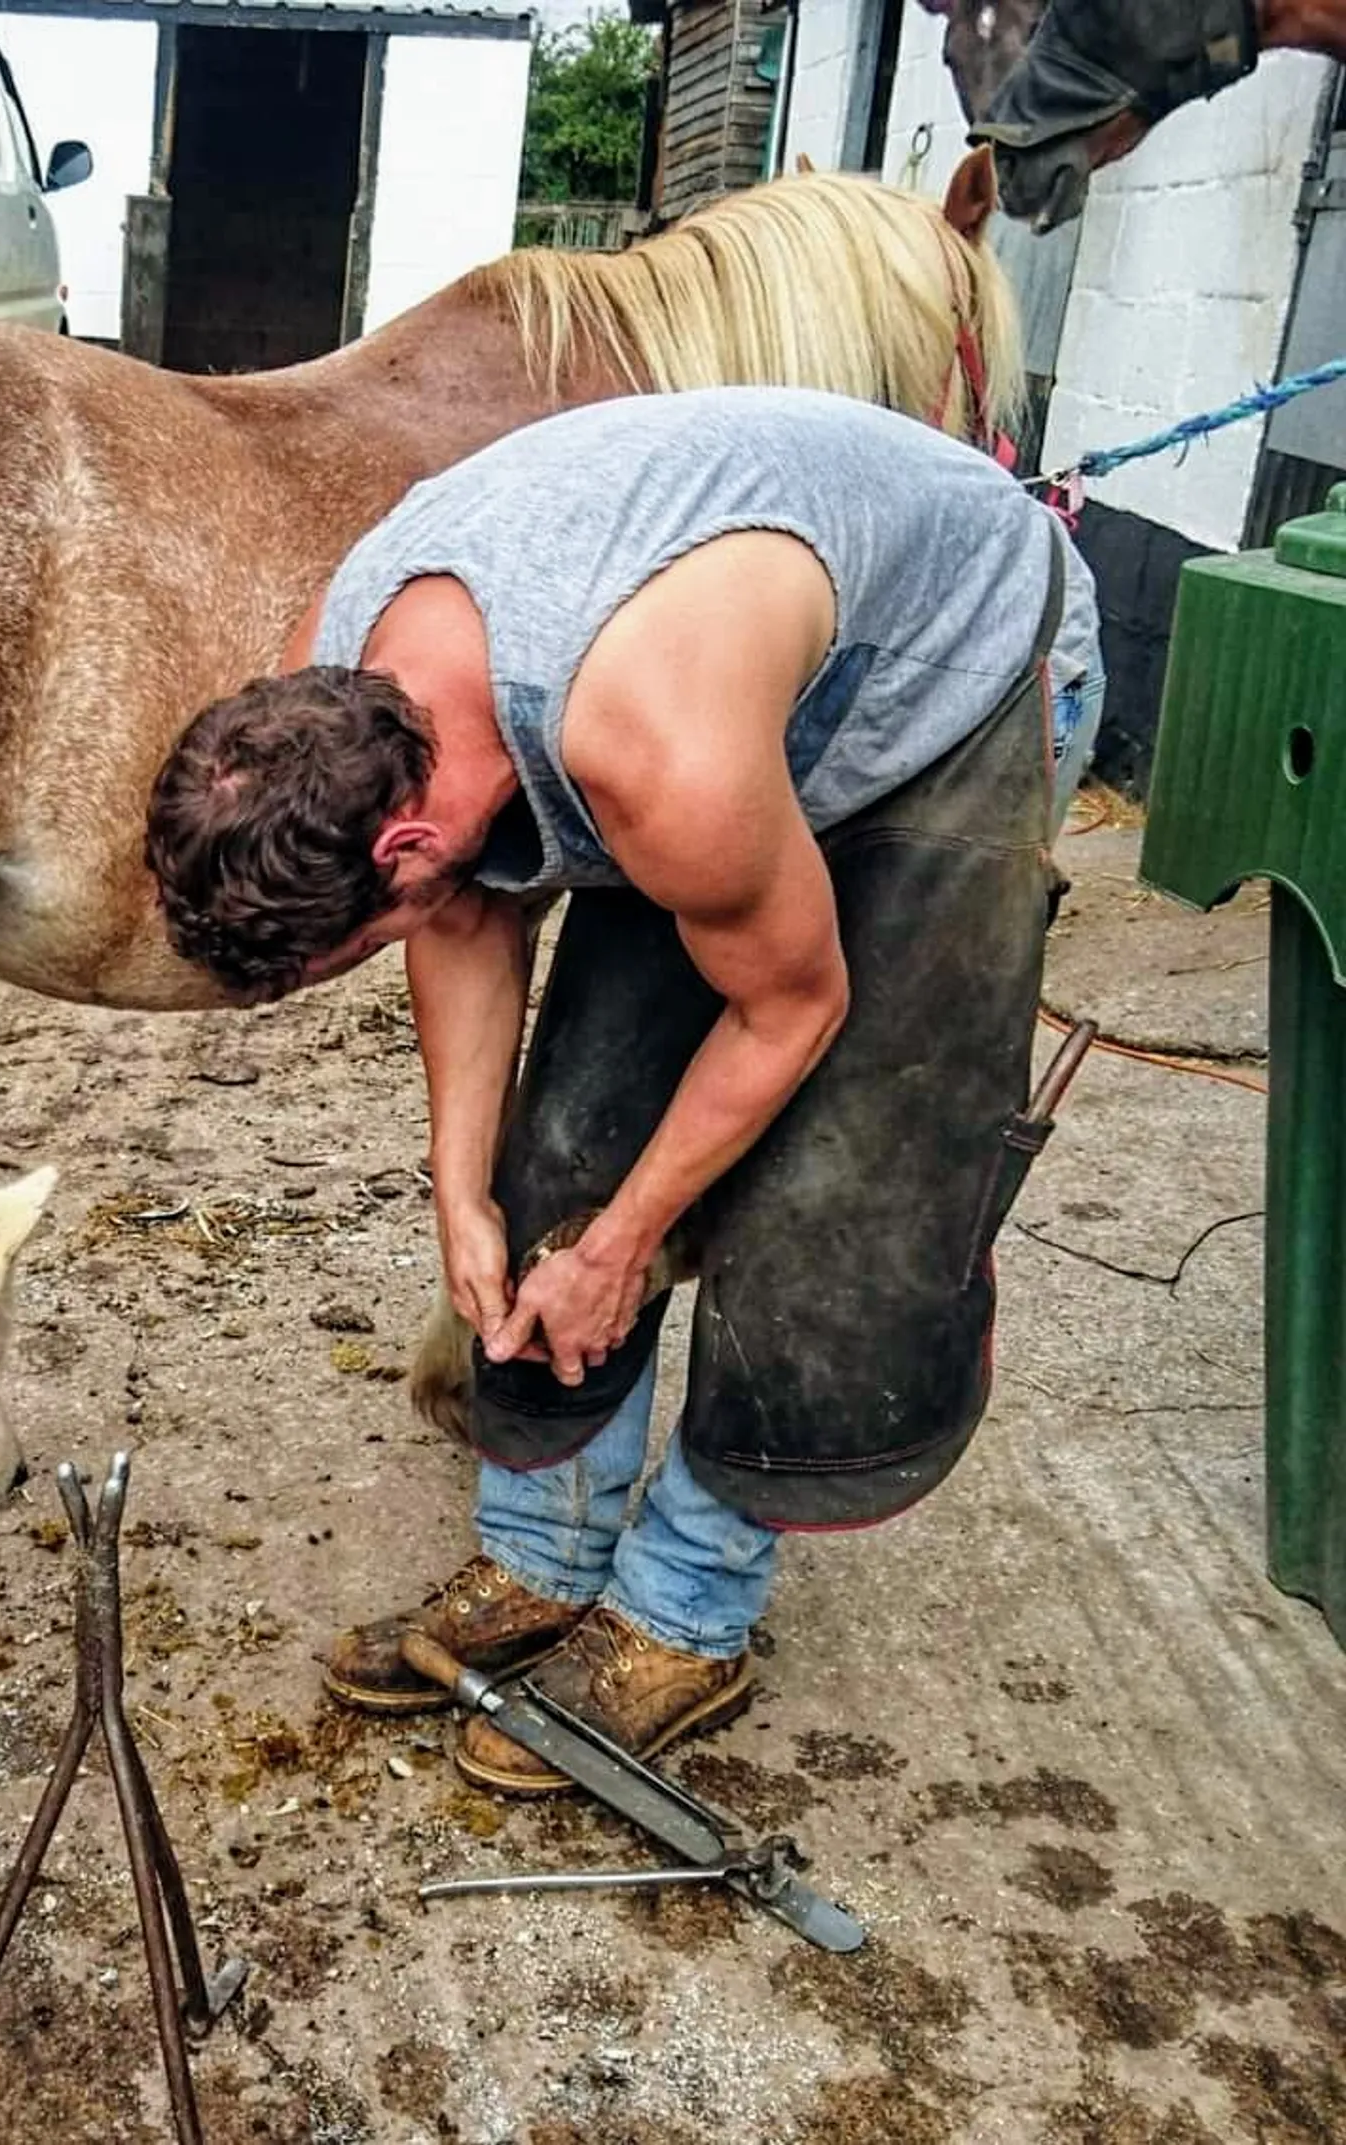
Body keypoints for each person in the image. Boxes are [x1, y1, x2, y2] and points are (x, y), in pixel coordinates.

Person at [144, 387, 1104, 1796]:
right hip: (711, 689)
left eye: (356, 936)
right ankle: (543, 1559)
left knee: (840, 1196)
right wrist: (462, 1195)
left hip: (950, 685)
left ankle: (687, 1613)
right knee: (573, 1135)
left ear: (402, 835)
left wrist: (623, 1247)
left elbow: (792, 1005)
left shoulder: (654, 751)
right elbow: (463, 914)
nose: (380, 941)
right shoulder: (335, 684)